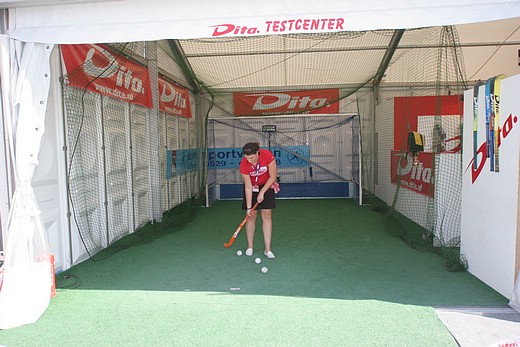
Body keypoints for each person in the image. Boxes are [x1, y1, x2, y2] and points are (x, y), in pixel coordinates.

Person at [239, 142, 277, 259]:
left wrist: (262, 192)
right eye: (246, 158)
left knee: (267, 214)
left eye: (251, 158)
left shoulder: (267, 155)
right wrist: (249, 207)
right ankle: (250, 246)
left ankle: (268, 249)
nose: (249, 160)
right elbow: (248, 187)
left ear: (257, 153)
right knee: (251, 216)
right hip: (252, 187)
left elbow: (273, 176)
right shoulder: (244, 165)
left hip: (267, 184)